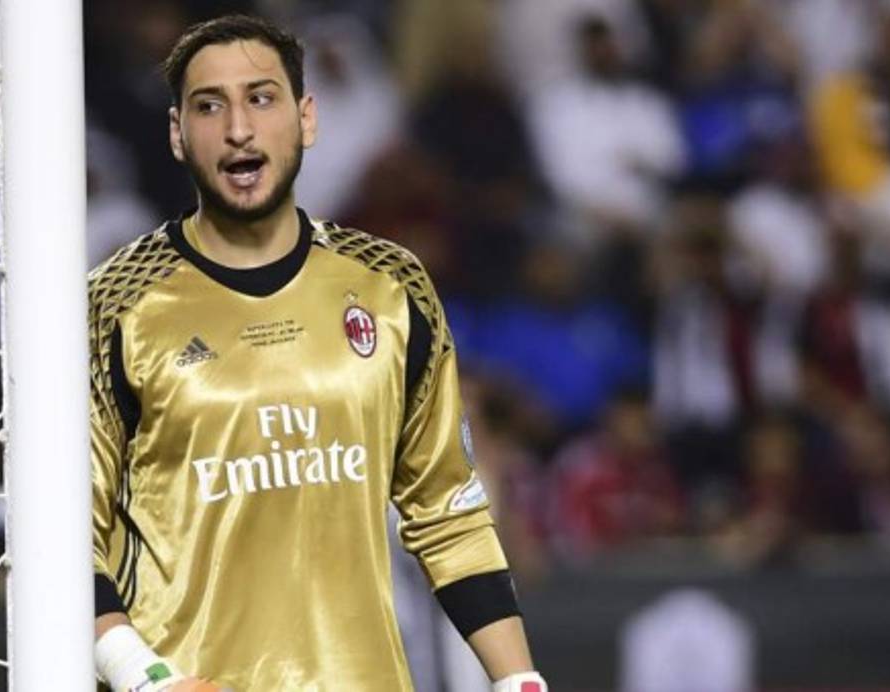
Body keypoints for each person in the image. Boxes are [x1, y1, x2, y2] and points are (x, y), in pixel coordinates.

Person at [87, 15, 546, 692]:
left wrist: (519, 681)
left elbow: (448, 511)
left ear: (306, 118)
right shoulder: (115, 302)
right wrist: (140, 675)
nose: (238, 128)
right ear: (177, 136)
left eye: (261, 98)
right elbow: (63, 530)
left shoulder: (390, 286)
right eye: (209, 106)